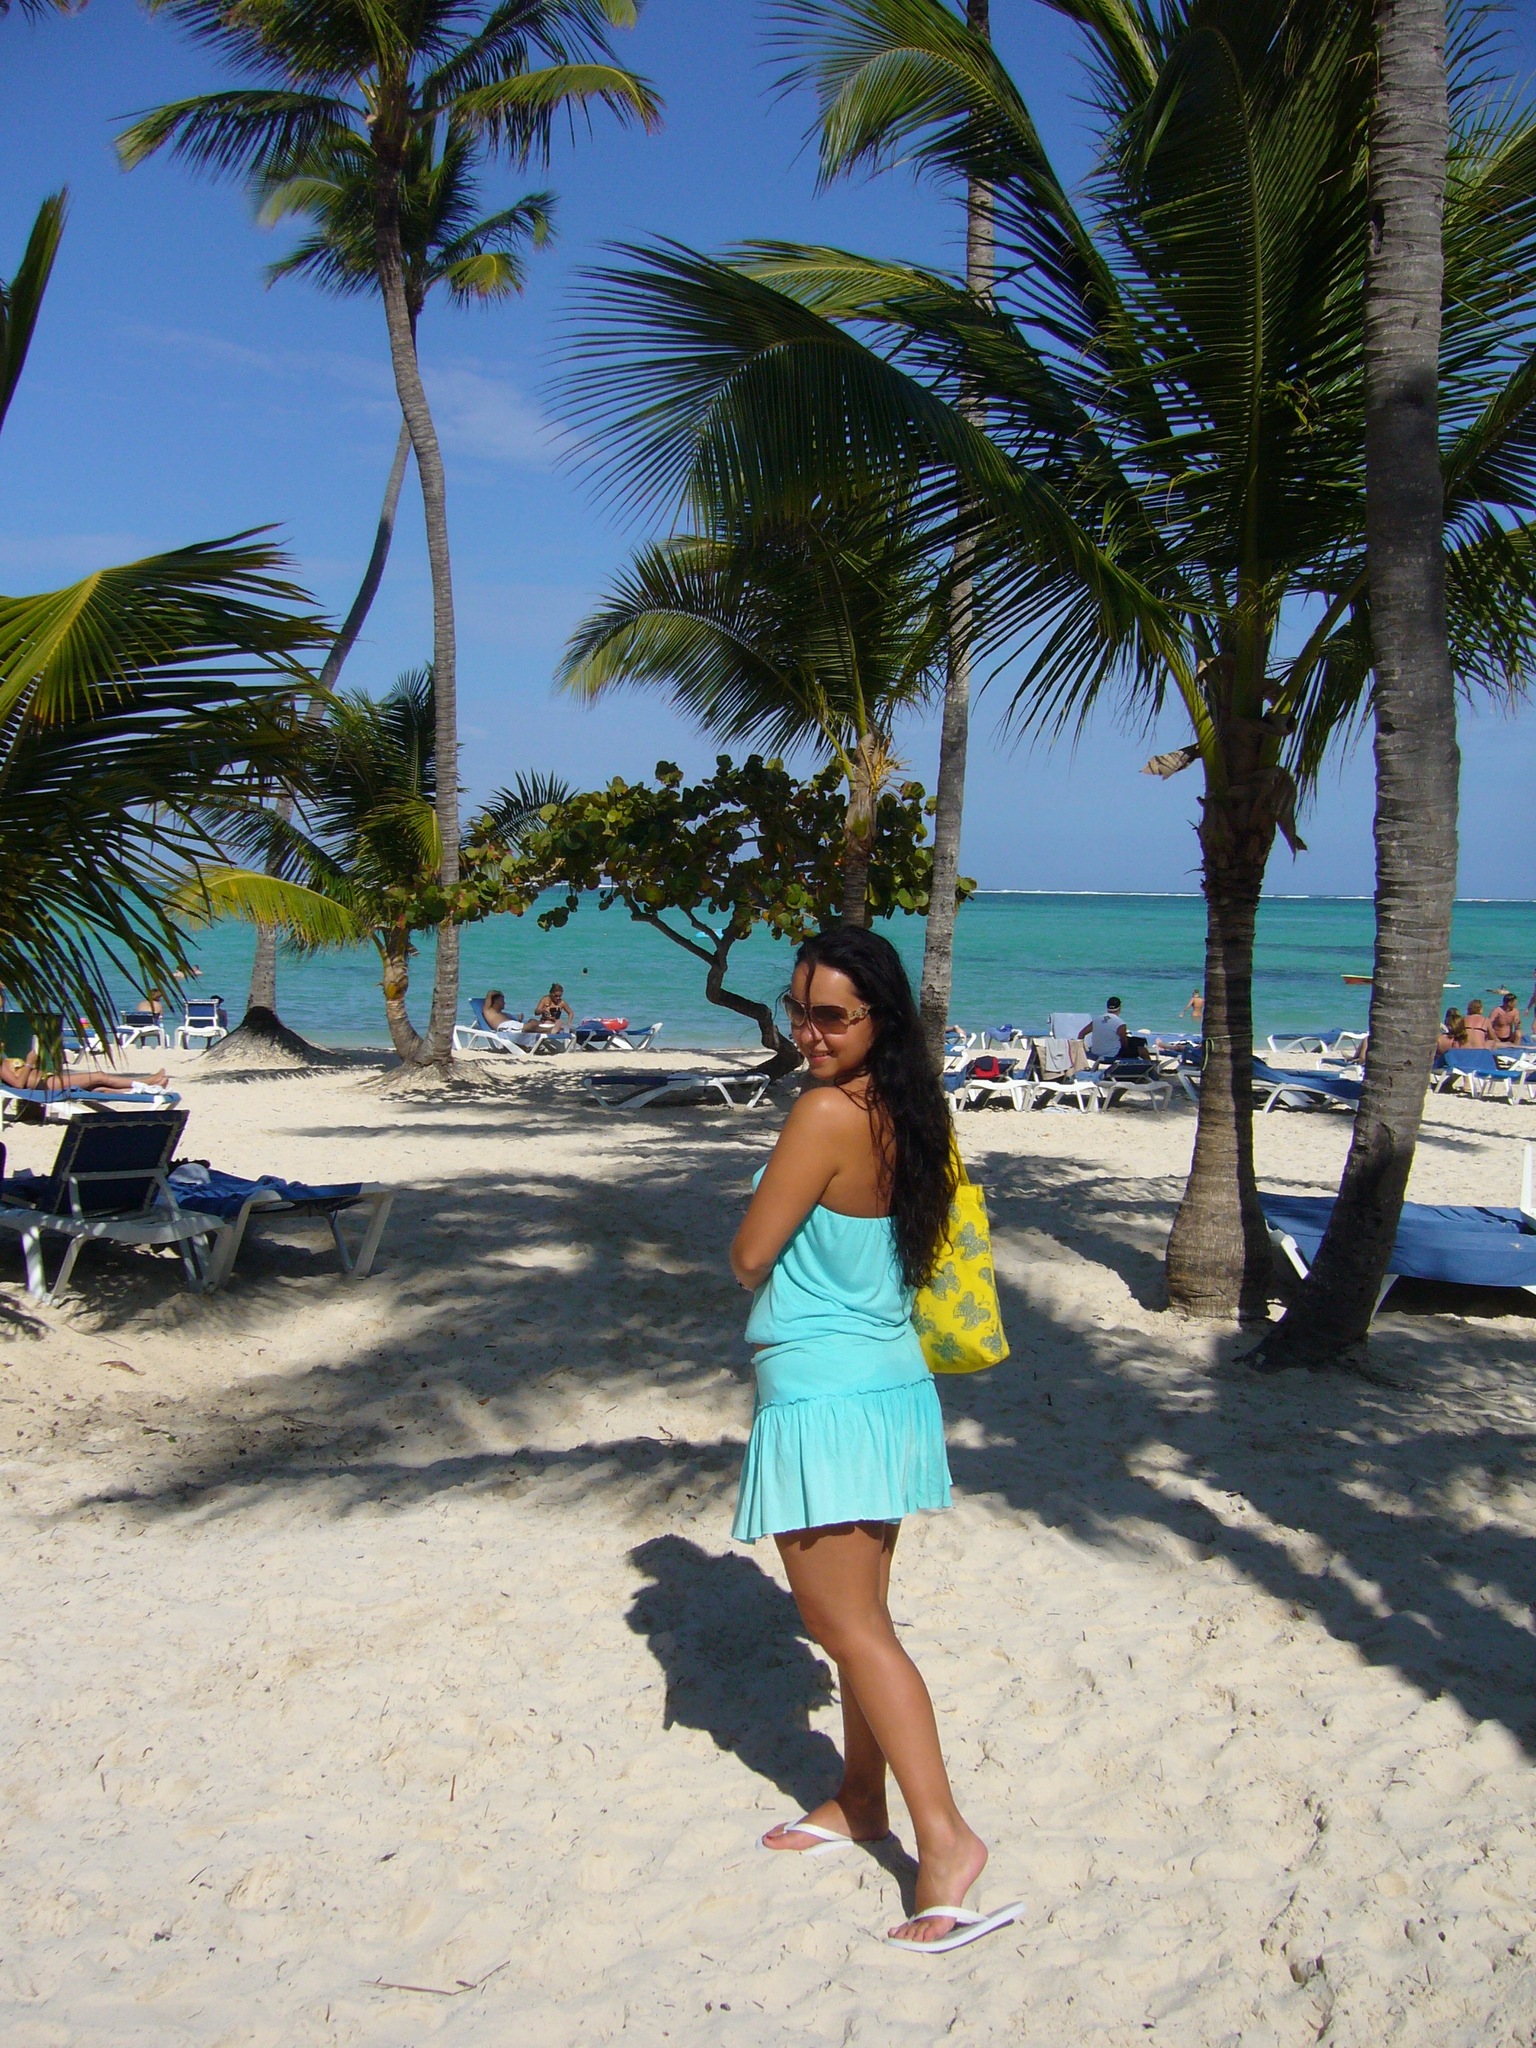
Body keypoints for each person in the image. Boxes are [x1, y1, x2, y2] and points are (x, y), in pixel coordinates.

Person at [731, 926, 1012, 1951]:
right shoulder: (911, 1108)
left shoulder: (823, 1113)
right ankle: (859, 1797)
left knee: (849, 1627)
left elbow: (750, 1253)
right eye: (798, 1009)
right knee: (864, 1618)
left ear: (879, 1019)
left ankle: (947, 1839)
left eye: (831, 1016)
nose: (808, 1032)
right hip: (889, 1383)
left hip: (827, 1394)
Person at [1, 1053, 169, 1094]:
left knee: (99, 1088)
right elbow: (18, 1084)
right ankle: (147, 1081)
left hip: (48, 1080)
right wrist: (29, 1062)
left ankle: (145, 1088)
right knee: (98, 1076)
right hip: (47, 1084)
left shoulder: (4, 1060)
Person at [1080, 997, 1134, 1062]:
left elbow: (1081, 1034)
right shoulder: (1120, 1023)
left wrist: (1083, 1050)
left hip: (1095, 1053)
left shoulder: (1096, 1020)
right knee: (1141, 1050)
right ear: (1120, 1007)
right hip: (1113, 1055)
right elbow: (1124, 1044)